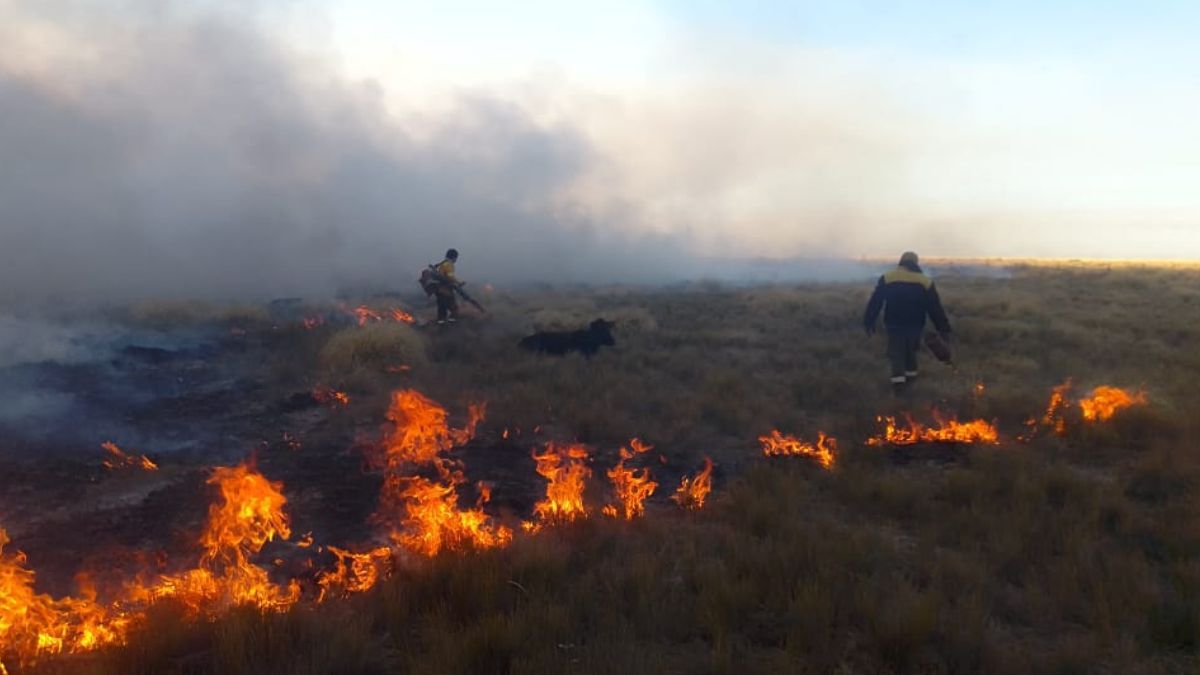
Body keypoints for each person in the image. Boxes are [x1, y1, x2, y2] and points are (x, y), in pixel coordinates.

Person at [862, 251, 952, 393]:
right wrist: (943, 328)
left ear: (901, 261)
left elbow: (875, 302)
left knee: (897, 353)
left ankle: (899, 388)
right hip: (915, 324)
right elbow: (935, 308)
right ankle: (910, 383)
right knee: (911, 352)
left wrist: (869, 321)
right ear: (916, 262)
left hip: (893, 323)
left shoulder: (888, 277)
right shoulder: (925, 281)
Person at [432, 248, 462, 325]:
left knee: (442, 306)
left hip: (438, 289)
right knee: (453, 306)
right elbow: (450, 276)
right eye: (456, 258)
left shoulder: (442, 263)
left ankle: (441, 322)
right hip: (445, 289)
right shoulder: (449, 264)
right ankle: (452, 323)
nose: (456, 260)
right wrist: (459, 282)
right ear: (454, 257)